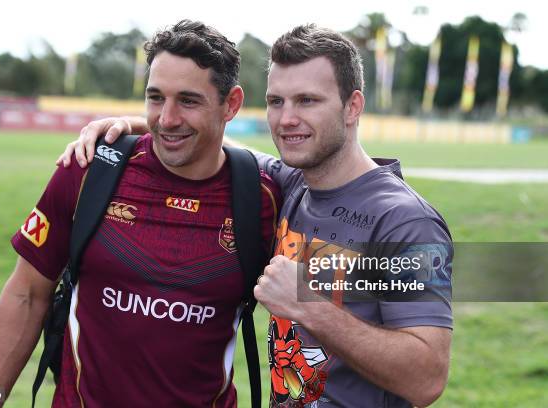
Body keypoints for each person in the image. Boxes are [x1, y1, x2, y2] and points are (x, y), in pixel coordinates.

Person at [59, 25, 453, 408]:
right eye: (276, 101)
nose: (286, 120)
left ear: (352, 106)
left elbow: (426, 379)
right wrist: (136, 124)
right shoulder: (290, 183)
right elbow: (211, 137)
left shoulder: (405, 221)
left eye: (308, 101)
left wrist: (308, 305)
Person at [0, 20, 280, 408]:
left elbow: (323, 296)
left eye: (188, 101)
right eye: (156, 98)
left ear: (231, 104)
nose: (166, 119)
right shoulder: (89, 168)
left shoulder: (264, 199)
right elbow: (27, 294)